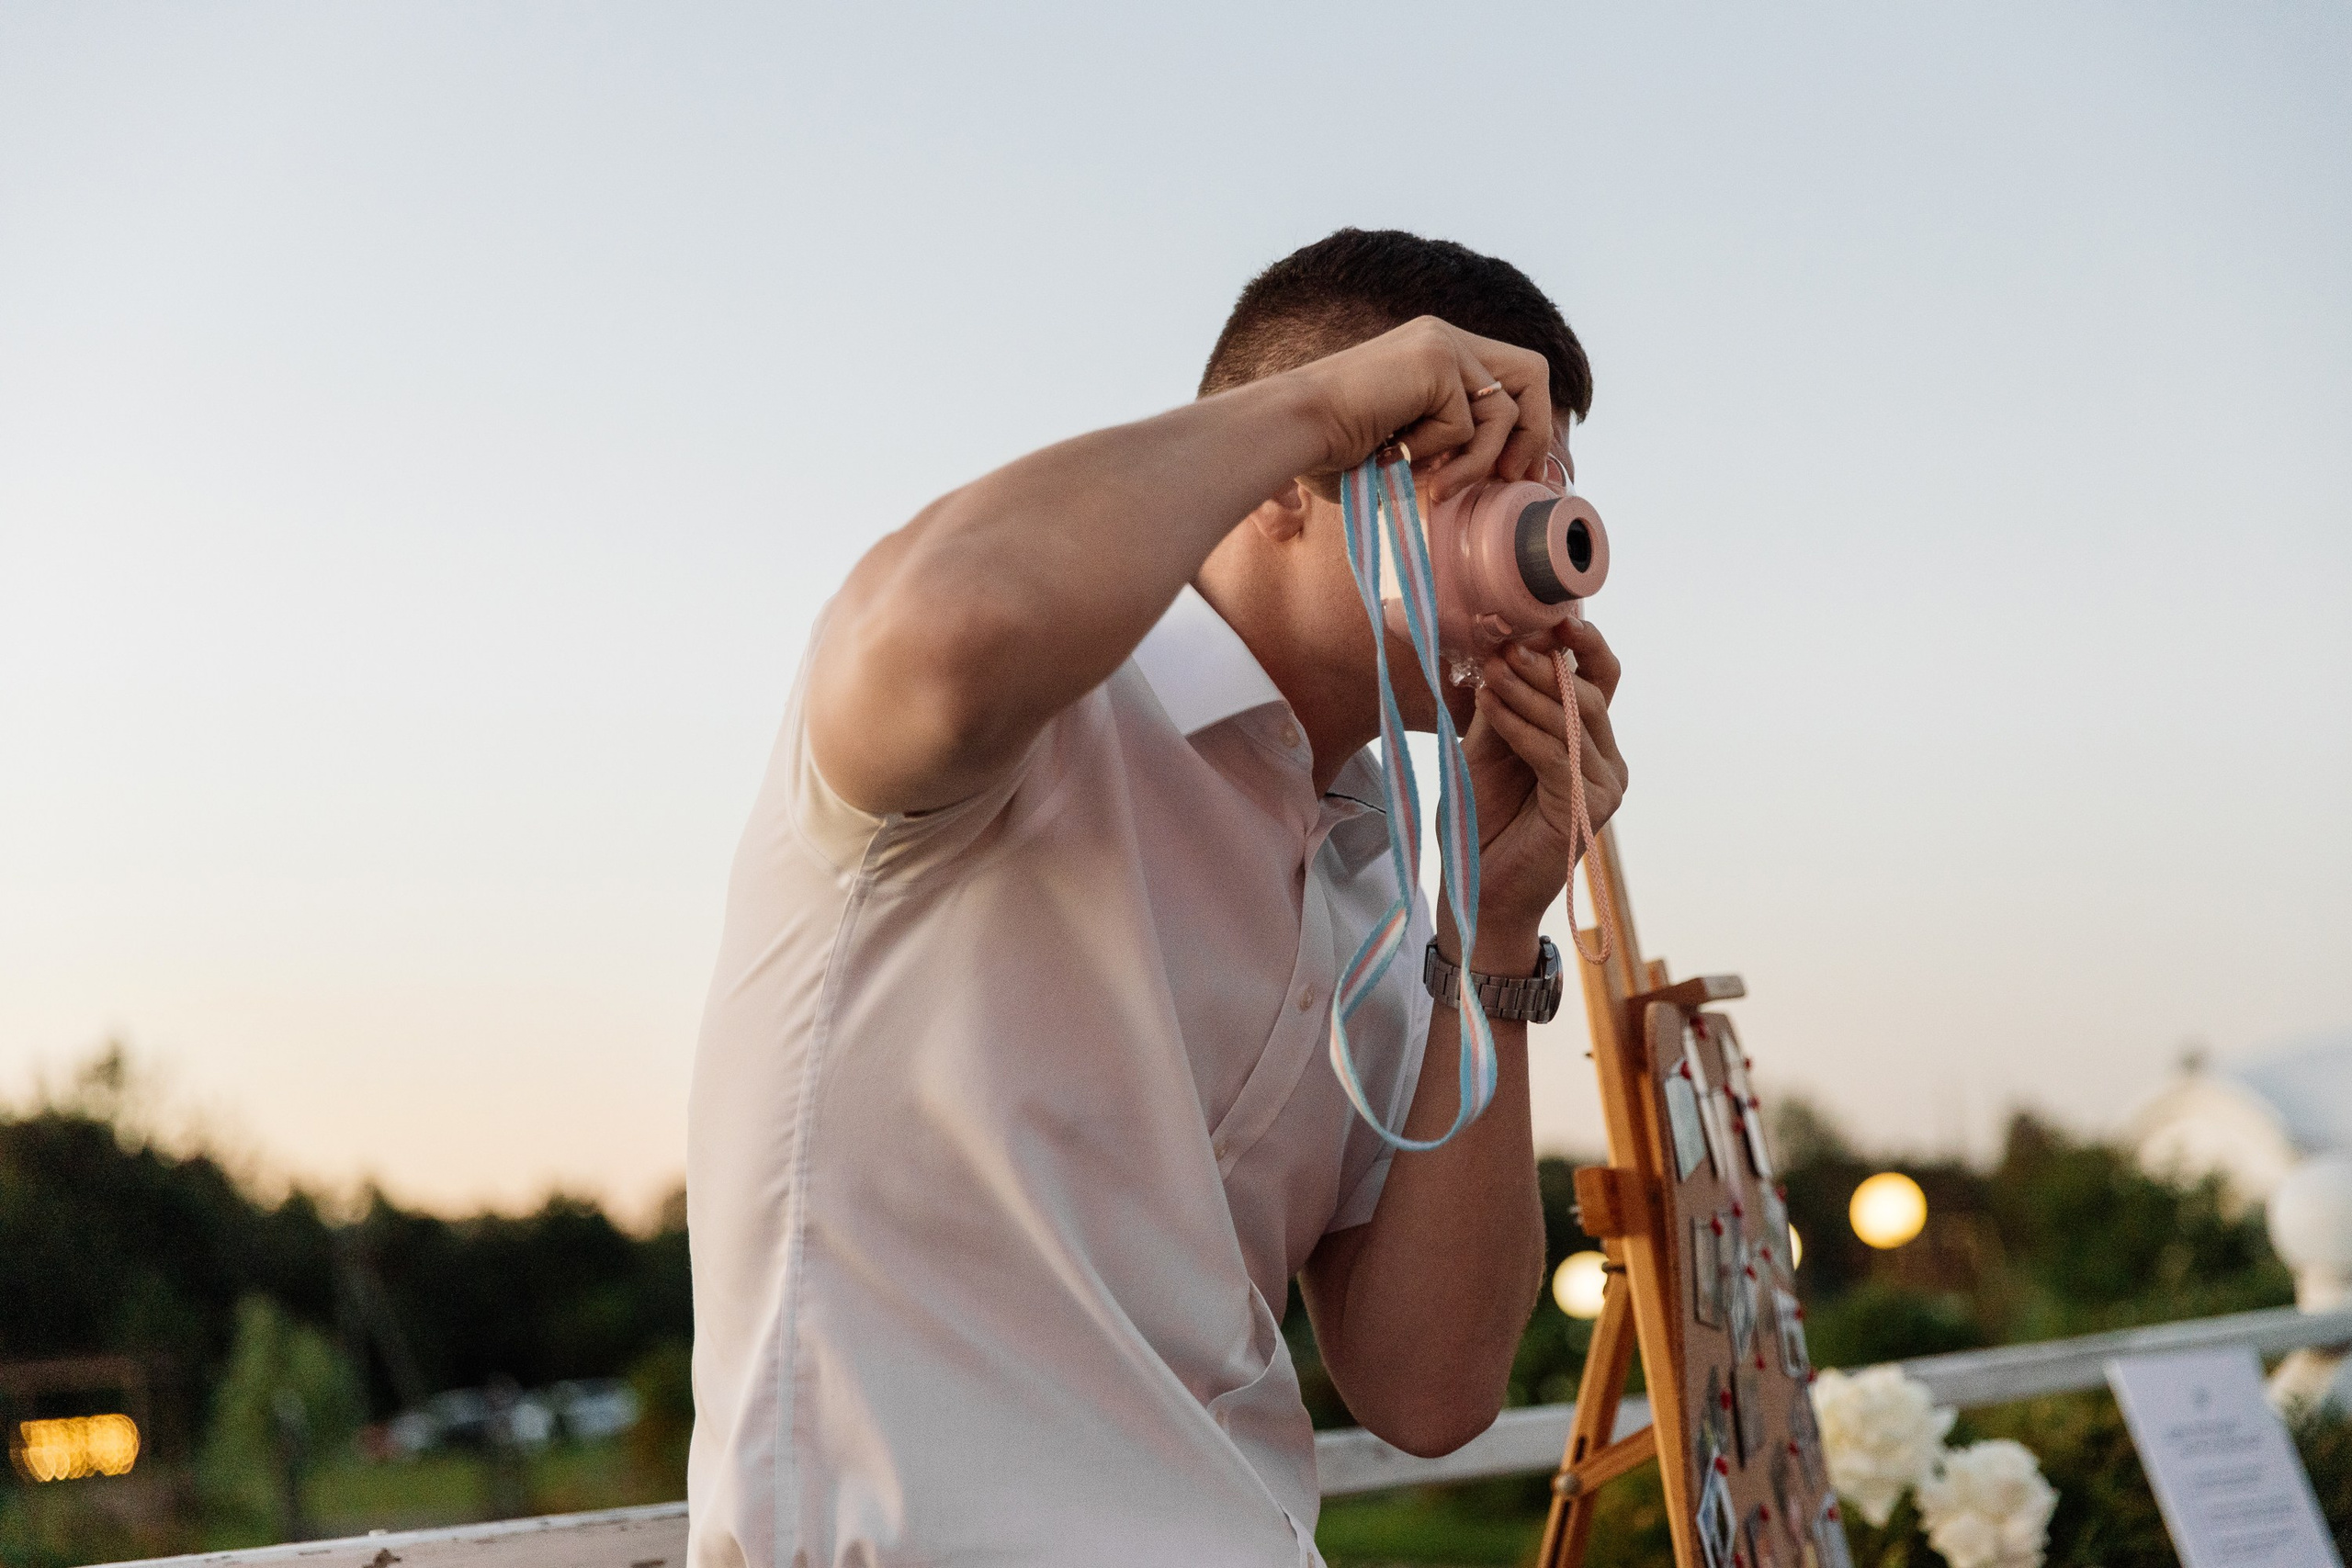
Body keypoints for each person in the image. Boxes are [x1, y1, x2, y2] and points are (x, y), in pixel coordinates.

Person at [685, 228, 1630, 1568]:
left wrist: (1489, 925)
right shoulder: (1030, 717)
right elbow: (945, 630)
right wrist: (1322, 403)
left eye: (1554, 495)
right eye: (1478, 481)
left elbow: (1432, 1391)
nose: (1538, 548)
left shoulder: (1370, 874)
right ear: (1295, 481)